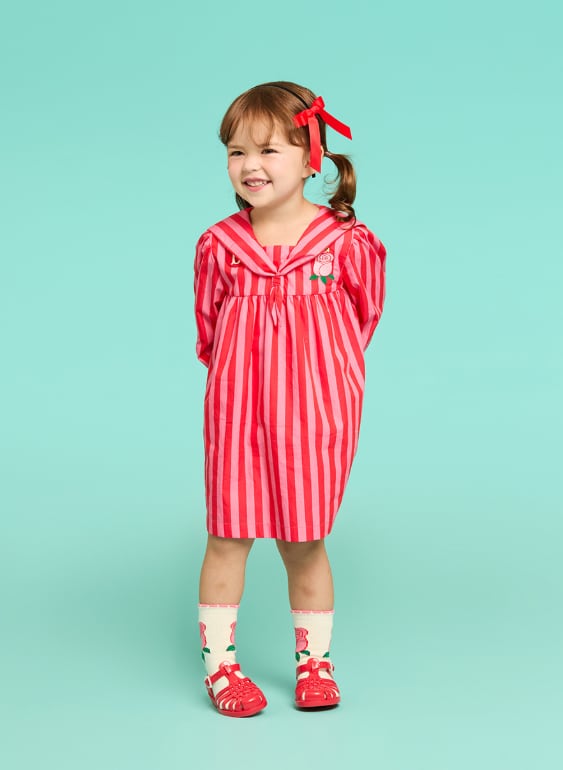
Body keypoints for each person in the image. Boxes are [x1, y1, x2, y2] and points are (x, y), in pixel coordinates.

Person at [193, 81, 386, 717]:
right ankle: (221, 668)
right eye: (237, 152)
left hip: (315, 414)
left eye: (269, 150)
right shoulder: (220, 247)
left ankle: (315, 664)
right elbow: (209, 331)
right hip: (237, 413)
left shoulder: (344, 243)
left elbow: (362, 317)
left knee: (305, 540)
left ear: (311, 157)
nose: (250, 165)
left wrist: (320, 372)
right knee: (228, 535)